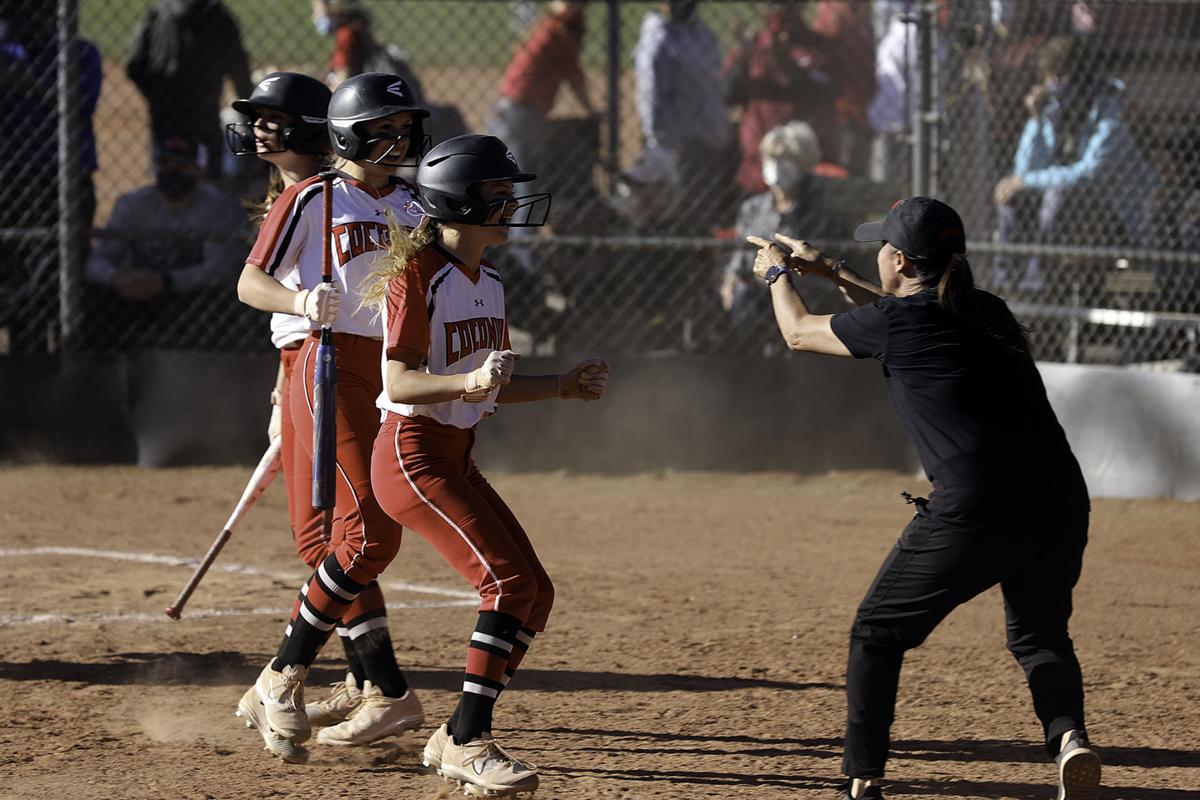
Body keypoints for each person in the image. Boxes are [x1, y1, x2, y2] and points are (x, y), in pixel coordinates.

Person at [745, 197, 1100, 800]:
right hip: (1059, 499)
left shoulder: (901, 323)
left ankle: (863, 777)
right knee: (1040, 635)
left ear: (901, 259)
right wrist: (829, 270)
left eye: (883, 246)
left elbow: (800, 334)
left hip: (977, 506)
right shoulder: (986, 309)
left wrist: (777, 274)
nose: (877, 253)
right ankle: (1070, 740)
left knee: (877, 632)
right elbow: (900, 311)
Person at [360, 134, 609, 797]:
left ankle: (456, 733)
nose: (510, 206)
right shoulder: (419, 276)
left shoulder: (489, 279)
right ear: (458, 204)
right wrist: (468, 382)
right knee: (504, 584)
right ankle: (467, 742)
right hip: (412, 455)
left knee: (535, 591)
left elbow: (488, 382)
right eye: (497, 196)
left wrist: (560, 384)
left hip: (456, 456)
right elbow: (401, 383)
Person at [233, 72, 430, 763]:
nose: (397, 142)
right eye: (385, 130)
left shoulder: (413, 203)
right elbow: (251, 282)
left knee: (350, 534)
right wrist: (298, 306)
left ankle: (372, 688)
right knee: (349, 534)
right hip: (328, 366)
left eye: (405, 131)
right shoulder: (314, 197)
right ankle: (334, 683)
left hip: (390, 373)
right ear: (348, 133)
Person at [993, 35, 1159, 290]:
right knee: (1013, 199)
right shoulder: (1054, 110)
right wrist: (1036, 119)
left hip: (1118, 212)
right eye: (1049, 79)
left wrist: (1025, 181)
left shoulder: (1111, 109)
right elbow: (1024, 170)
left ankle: (1035, 284)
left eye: (1059, 78)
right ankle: (1005, 285)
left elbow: (1088, 174)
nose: (1053, 86)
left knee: (1056, 194)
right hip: (1069, 208)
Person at [0, 0, 102, 353]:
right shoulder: (6, 50)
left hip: (65, 182)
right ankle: (24, 357)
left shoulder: (79, 54)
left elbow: (79, 103)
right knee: (16, 279)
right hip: (13, 183)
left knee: (64, 274)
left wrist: (26, 82)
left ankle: (70, 355)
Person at [83, 136, 245, 350]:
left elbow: (219, 269)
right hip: (136, 290)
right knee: (96, 298)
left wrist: (166, 281)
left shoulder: (217, 207)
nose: (173, 172)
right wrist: (118, 278)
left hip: (189, 295)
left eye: (183, 166)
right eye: (166, 164)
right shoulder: (132, 205)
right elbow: (97, 262)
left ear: (200, 171)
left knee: (217, 303)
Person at [719, 121, 843, 351]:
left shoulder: (818, 210)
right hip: (758, 293)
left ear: (803, 164)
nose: (776, 167)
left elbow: (816, 264)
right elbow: (739, 260)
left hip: (803, 292)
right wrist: (731, 279)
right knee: (742, 295)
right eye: (770, 159)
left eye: (785, 160)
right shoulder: (752, 208)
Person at [633, 0, 735, 232]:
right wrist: (660, 144)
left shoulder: (705, 35)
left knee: (708, 213)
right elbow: (650, 96)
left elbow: (715, 84)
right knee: (680, 215)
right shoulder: (659, 39)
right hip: (680, 145)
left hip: (710, 138)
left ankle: (704, 262)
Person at [125, 0, 253, 182]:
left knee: (166, 174)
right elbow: (240, 70)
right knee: (209, 180)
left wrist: (154, 97)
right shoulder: (219, 16)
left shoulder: (160, 12)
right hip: (204, 113)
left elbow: (134, 64)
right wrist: (248, 110)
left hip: (164, 114)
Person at [721, 0, 838, 195]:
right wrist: (742, 57)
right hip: (757, 164)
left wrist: (789, 68)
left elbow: (828, 92)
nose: (777, 11)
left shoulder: (814, 46)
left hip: (804, 166)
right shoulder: (756, 43)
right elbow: (727, 95)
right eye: (771, 5)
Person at [486, 0, 596, 202]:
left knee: (517, 184)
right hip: (520, 116)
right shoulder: (559, 36)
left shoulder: (547, 28)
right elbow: (576, 81)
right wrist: (592, 111)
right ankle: (524, 234)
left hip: (509, 113)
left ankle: (519, 231)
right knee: (527, 187)